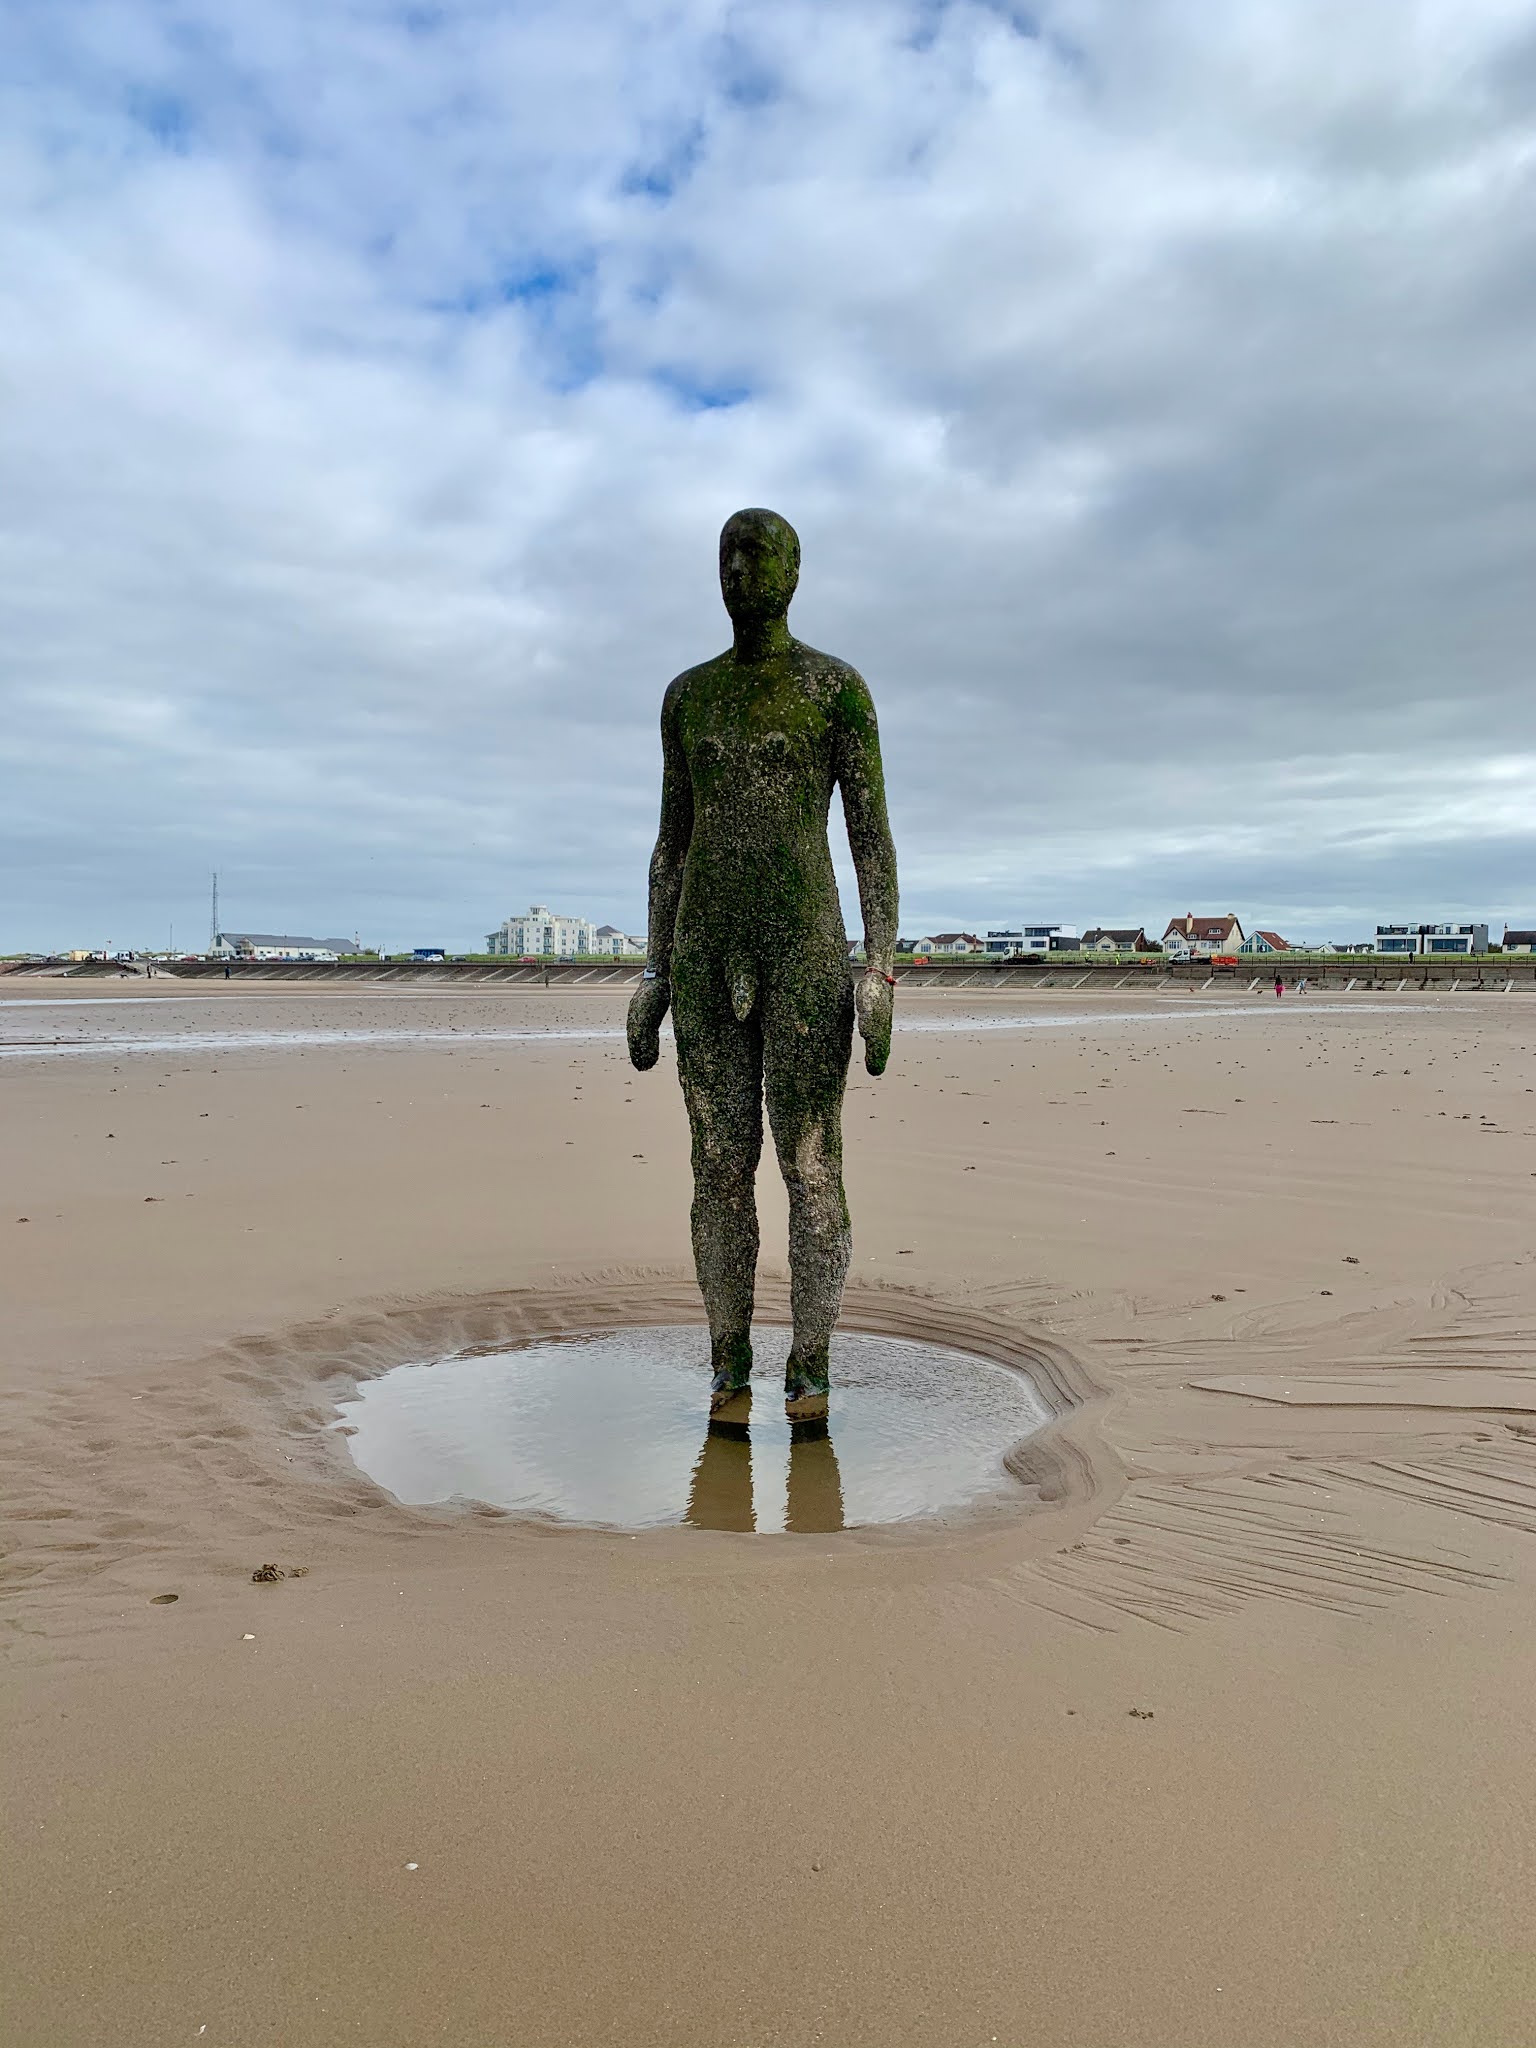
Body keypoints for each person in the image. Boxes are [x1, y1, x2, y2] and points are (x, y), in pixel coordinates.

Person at [628, 509, 898, 1412]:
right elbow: (672, 842)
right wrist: (653, 972)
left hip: (808, 957)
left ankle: (811, 1360)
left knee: (811, 1160)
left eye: (759, 554)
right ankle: (728, 1356)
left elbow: (870, 841)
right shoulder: (689, 696)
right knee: (716, 1161)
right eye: (728, 556)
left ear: (793, 569)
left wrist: (880, 969)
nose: (741, 571)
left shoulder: (834, 689)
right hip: (706, 953)